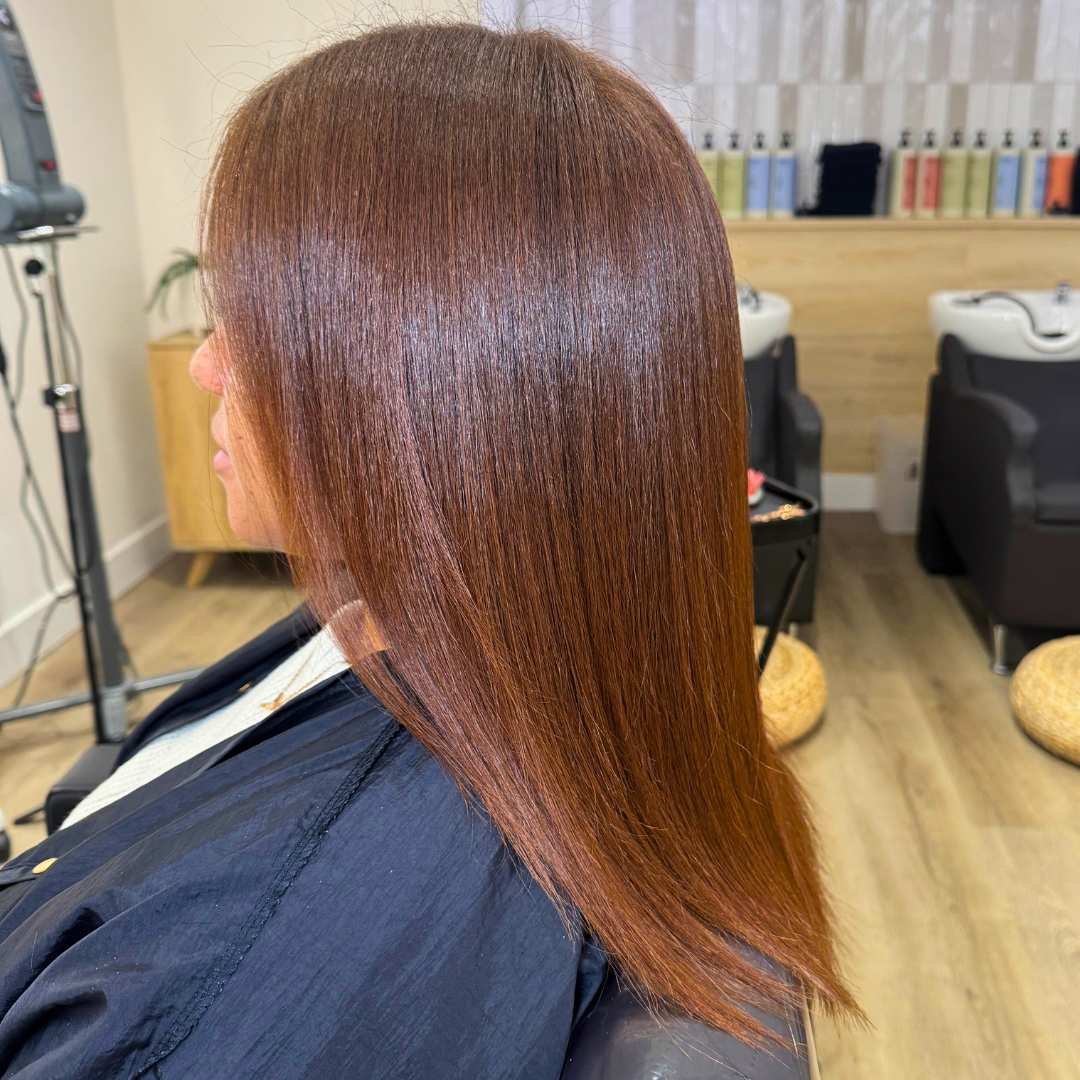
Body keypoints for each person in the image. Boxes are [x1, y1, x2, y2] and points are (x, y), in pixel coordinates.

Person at [0, 21, 857, 1077]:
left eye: (249, 324)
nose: (205, 368)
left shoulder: (239, 964)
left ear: (413, 393)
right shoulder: (438, 628)